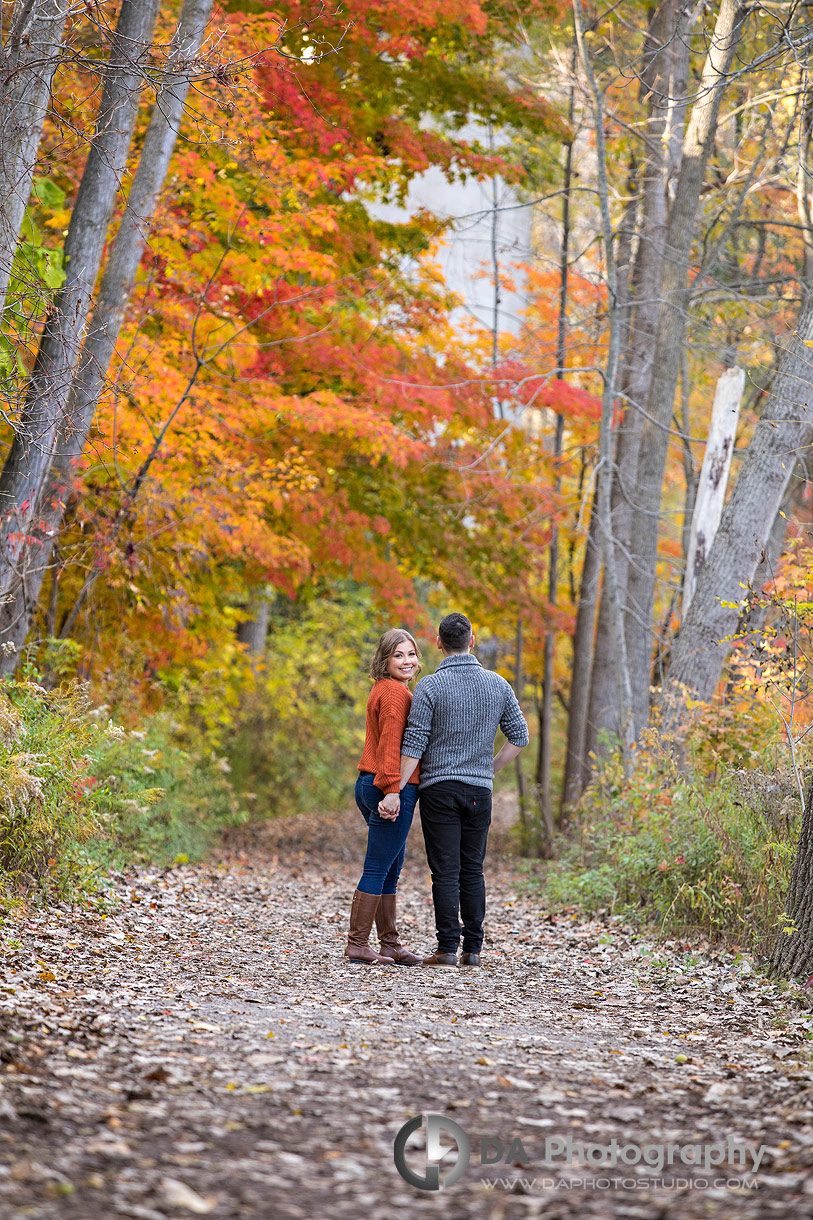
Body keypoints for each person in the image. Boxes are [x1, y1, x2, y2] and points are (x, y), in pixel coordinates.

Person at [379, 612, 528, 968]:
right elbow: (520, 737)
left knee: (445, 871)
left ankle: (447, 949)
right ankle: (472, 951)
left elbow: (414, 744)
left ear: (439, 644)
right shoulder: (498, 684)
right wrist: (488, 769)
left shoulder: (429, 686)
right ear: (472, 641)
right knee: (472, 869)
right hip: (479, 790)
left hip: (439, 790)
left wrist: (395, 788)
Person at [344, 628, 424, 966]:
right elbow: (391, 745)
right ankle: (358, 944)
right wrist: (393, 791)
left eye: (410, 654)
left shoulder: (386, 688)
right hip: (387, 787)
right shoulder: (394, 694)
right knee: (379, 865)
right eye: (398, 655)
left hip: (370, 782)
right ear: (384, 660)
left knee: (391, 865)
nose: (406, 661)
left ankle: (389, 943)